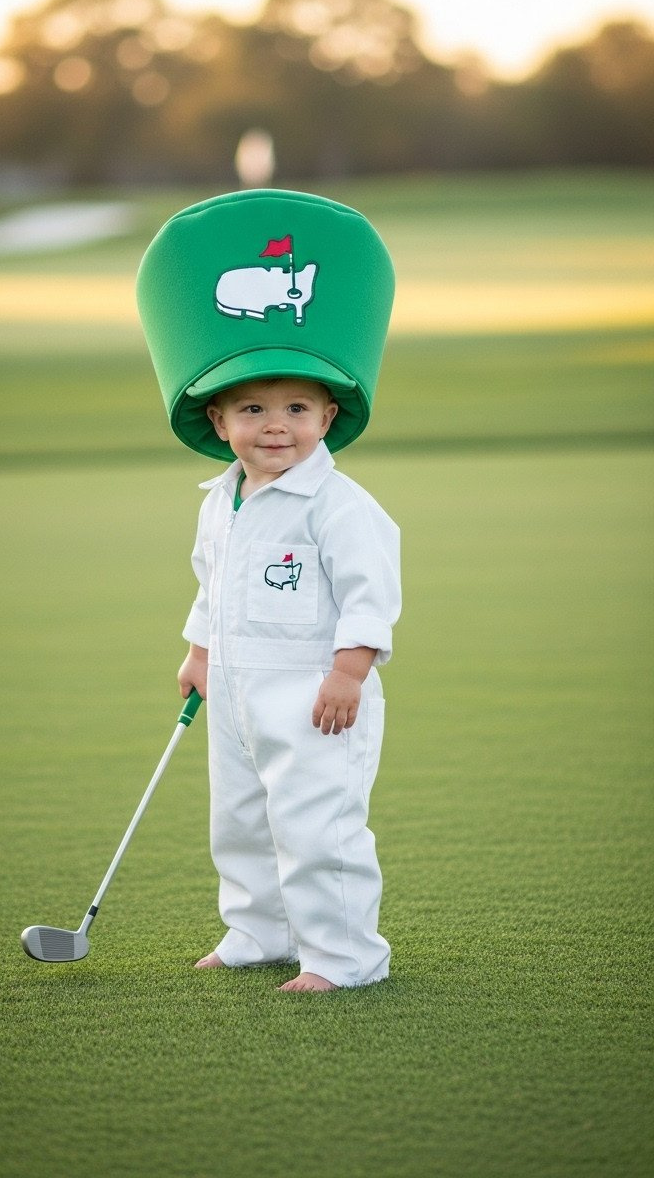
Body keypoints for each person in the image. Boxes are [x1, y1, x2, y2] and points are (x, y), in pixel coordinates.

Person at [177, 374, 401, 992]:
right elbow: (212, 586)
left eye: (296, 409)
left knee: (315, 824)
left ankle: (342, 957)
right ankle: (259, 933)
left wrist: (348, 672)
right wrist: (199, 654)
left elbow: (368, 595)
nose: (276, 424)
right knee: (240, 819)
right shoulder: (221, 499)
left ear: (326, 419)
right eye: (253, 409)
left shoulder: (337, 503)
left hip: (316, 698)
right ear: (221, 424)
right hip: (233, 688)